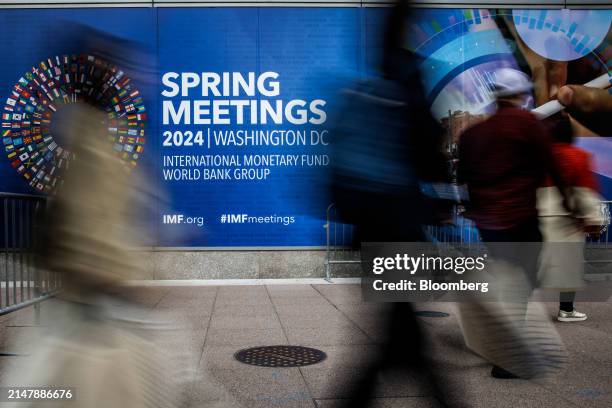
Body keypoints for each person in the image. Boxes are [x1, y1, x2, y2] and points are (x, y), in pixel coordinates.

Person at [457, 68, 567, 379]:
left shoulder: (474, 133)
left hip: (489, 223)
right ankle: (508, 356)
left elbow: (463, 178)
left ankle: (500, 341)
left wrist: (474, 206)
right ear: (520, 95)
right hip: (521, 219)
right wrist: (572, 205)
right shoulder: (528, 125)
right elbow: (552, 167)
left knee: (507, 278)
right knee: (522, 282)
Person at [537, 115, 605, 322]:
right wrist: (594, 220)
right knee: (569, 267)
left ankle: (518, 311)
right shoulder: (579, 156)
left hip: (539, 217)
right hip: (567, 222)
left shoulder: (541, 158)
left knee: (534, 265)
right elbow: (585, 193)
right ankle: (566, 310)